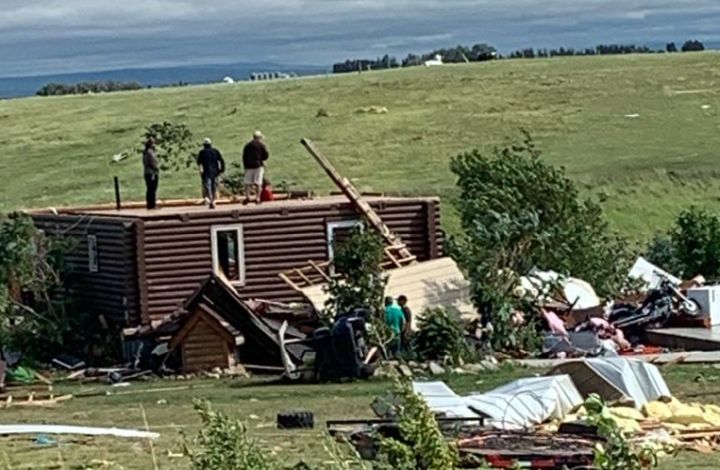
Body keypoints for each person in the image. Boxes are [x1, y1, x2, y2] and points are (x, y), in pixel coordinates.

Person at [196, 137, 225, 209]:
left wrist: (200, 172)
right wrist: (222, 170)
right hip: (215, 172)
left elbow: (199, 164)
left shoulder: (202, 153)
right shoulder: (215, 151)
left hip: (206, 172)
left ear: (204, 145)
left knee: (208, 187)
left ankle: (211, 200)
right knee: (214, 187)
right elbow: (221, 161)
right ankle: (214, 200)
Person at [242, 130, 269, 204]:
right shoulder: (261, 145)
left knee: (247, 183)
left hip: (248, 166)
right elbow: (266, 155)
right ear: (259, 137)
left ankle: (247, 197)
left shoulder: (247, 145)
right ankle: (257, 198)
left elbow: (244, 156)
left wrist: (245, 165)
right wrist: (262, 159)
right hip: (258, 165)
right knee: (258, 183)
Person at [142, 138, 159, 209]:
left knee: (149, 189)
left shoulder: (145, 152)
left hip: (147, 172)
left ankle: (150, 204)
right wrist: (156, 168)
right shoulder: (150, 152)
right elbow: (152, 162)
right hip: (152, 173)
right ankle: (152, 204)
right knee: (152, 189)